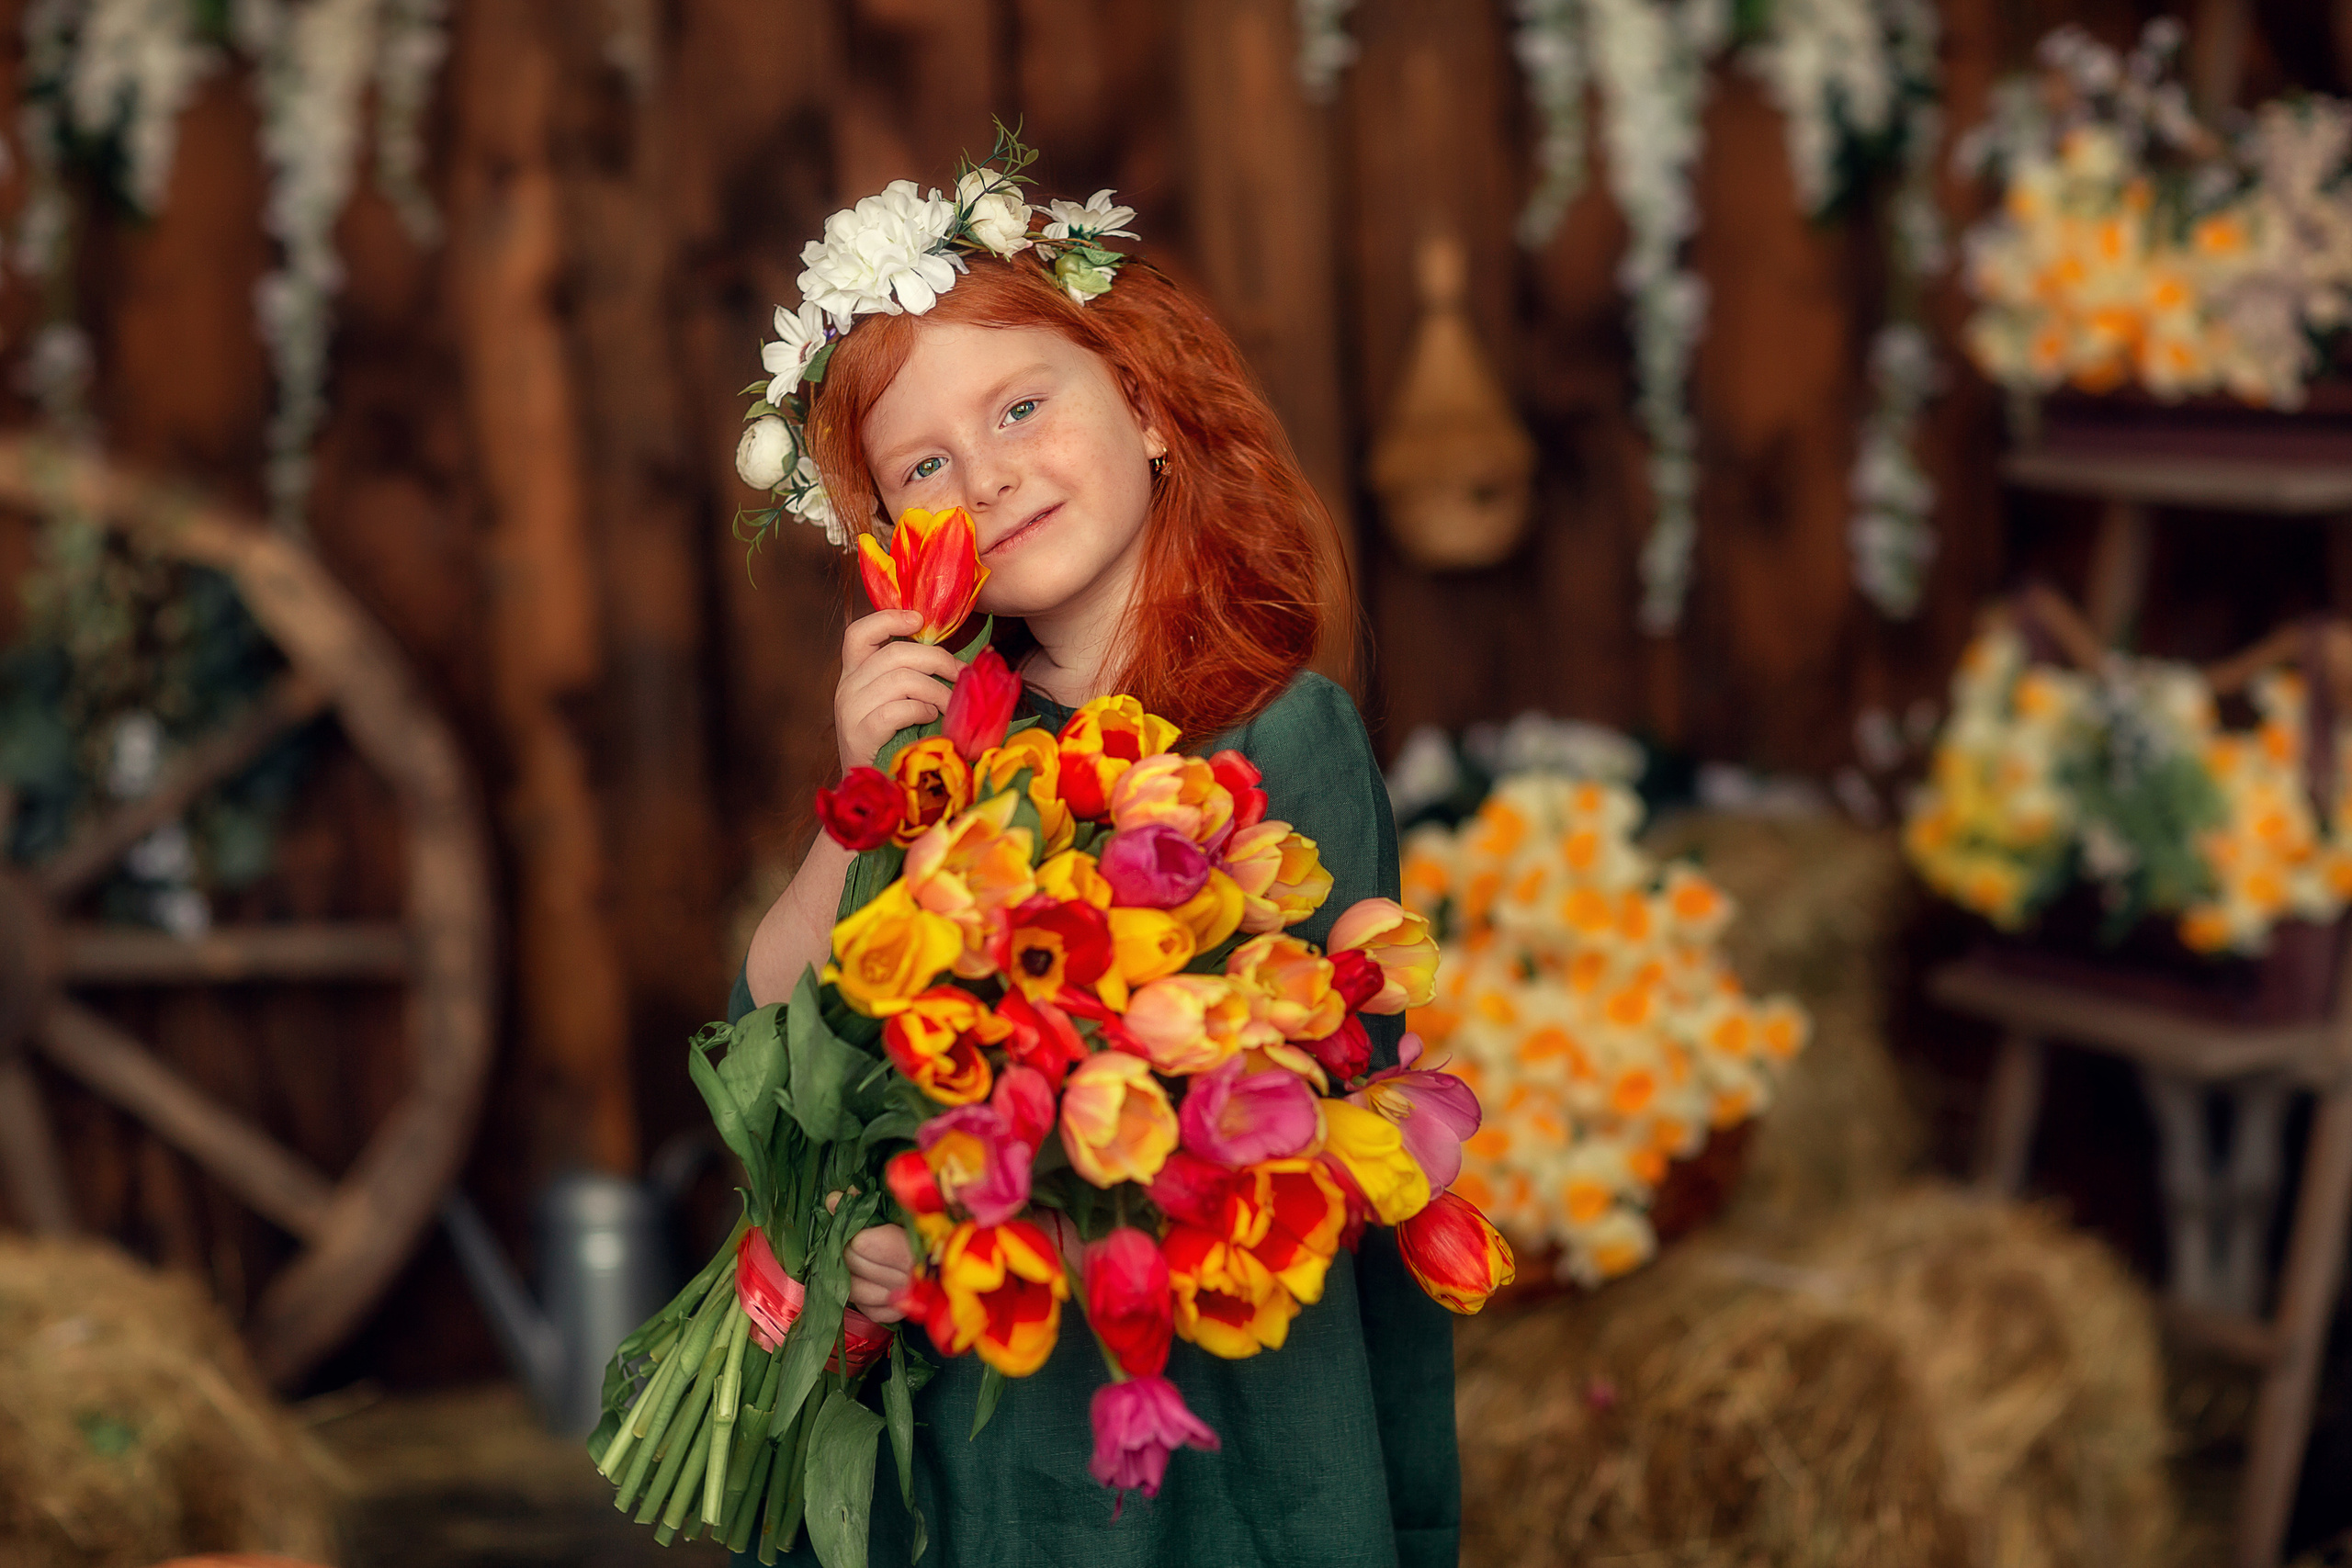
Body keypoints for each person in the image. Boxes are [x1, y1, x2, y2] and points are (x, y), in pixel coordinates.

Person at [725, 165, 1458, 1568]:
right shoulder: (956, 742)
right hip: (987, 1418)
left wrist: (950, 1218)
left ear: (1145, 404)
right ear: (895, 540)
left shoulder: (1278, 732)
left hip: (1212, 1395)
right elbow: (778, 1018)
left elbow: (1271, 1110)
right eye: (925, 466)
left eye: (1019, 408)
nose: (986, 474)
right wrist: (858, 804)